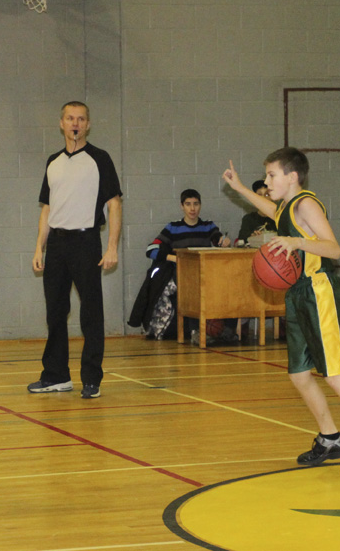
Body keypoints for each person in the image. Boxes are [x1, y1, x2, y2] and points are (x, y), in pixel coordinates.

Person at [223, 148, 340, 478]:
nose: (267, 181)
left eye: (272, 175)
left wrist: (297, 243)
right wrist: (240, 189)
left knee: (333, 374)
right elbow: (272, 210)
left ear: (292, 177)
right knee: (299, 374)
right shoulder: (287, 207)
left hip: (319, 290)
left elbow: (334, 247)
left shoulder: (307, 205)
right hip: (298, 292)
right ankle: (331, 438)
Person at [29, 101, 122, 400]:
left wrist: (111, 248)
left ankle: (91, 379)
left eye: (81, 119)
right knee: (55, 311)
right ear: (61, 123)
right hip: (56, 244)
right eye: (70, 118)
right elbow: (47, 209)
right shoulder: (53, 162)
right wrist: (39, 248)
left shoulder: (100, 159)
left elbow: (115, 204)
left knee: (90, 313)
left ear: (88, 124)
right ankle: (56, 376)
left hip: (86, 242)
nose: (75, 123)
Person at [144, 189, 236, 342]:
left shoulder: (208, 226)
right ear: (182, 206)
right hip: (182, 275)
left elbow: (216, 237)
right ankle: (195, 331)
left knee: (229, 285)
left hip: (206, 273)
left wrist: (222, 240)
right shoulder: (172, 228)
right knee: (193, 287)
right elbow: (150, 249)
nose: (192, 209)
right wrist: (173, 258)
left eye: (196, 204)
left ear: (200, 206)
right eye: (188, 204)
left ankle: (228, 330)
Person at [235, 180, 276, 246]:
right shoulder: (249, 219)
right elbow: (241, 238)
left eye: (267, 194)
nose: (263, 198)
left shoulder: (278, 218)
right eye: (259, 195)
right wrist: (252, 236)